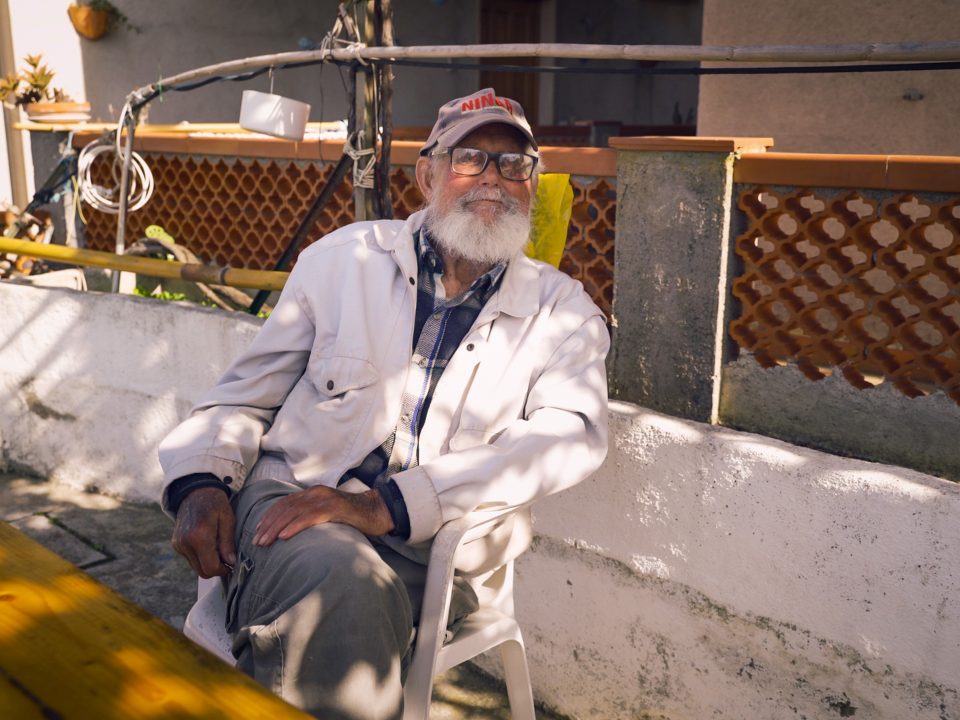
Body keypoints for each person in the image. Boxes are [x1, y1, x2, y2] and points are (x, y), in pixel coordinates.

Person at [159, 87, 609, 720]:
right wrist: (200, 483)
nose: (495, 180)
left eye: (514, 165)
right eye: (471, 158)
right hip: (295, 502)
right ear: (427, 174)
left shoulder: (563, 313)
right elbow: (244, 394)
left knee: (347, 608)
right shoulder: (342, 261)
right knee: (341, 585)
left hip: (434, 552)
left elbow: (572, 435)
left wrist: (384, 505)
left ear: (532, 185)